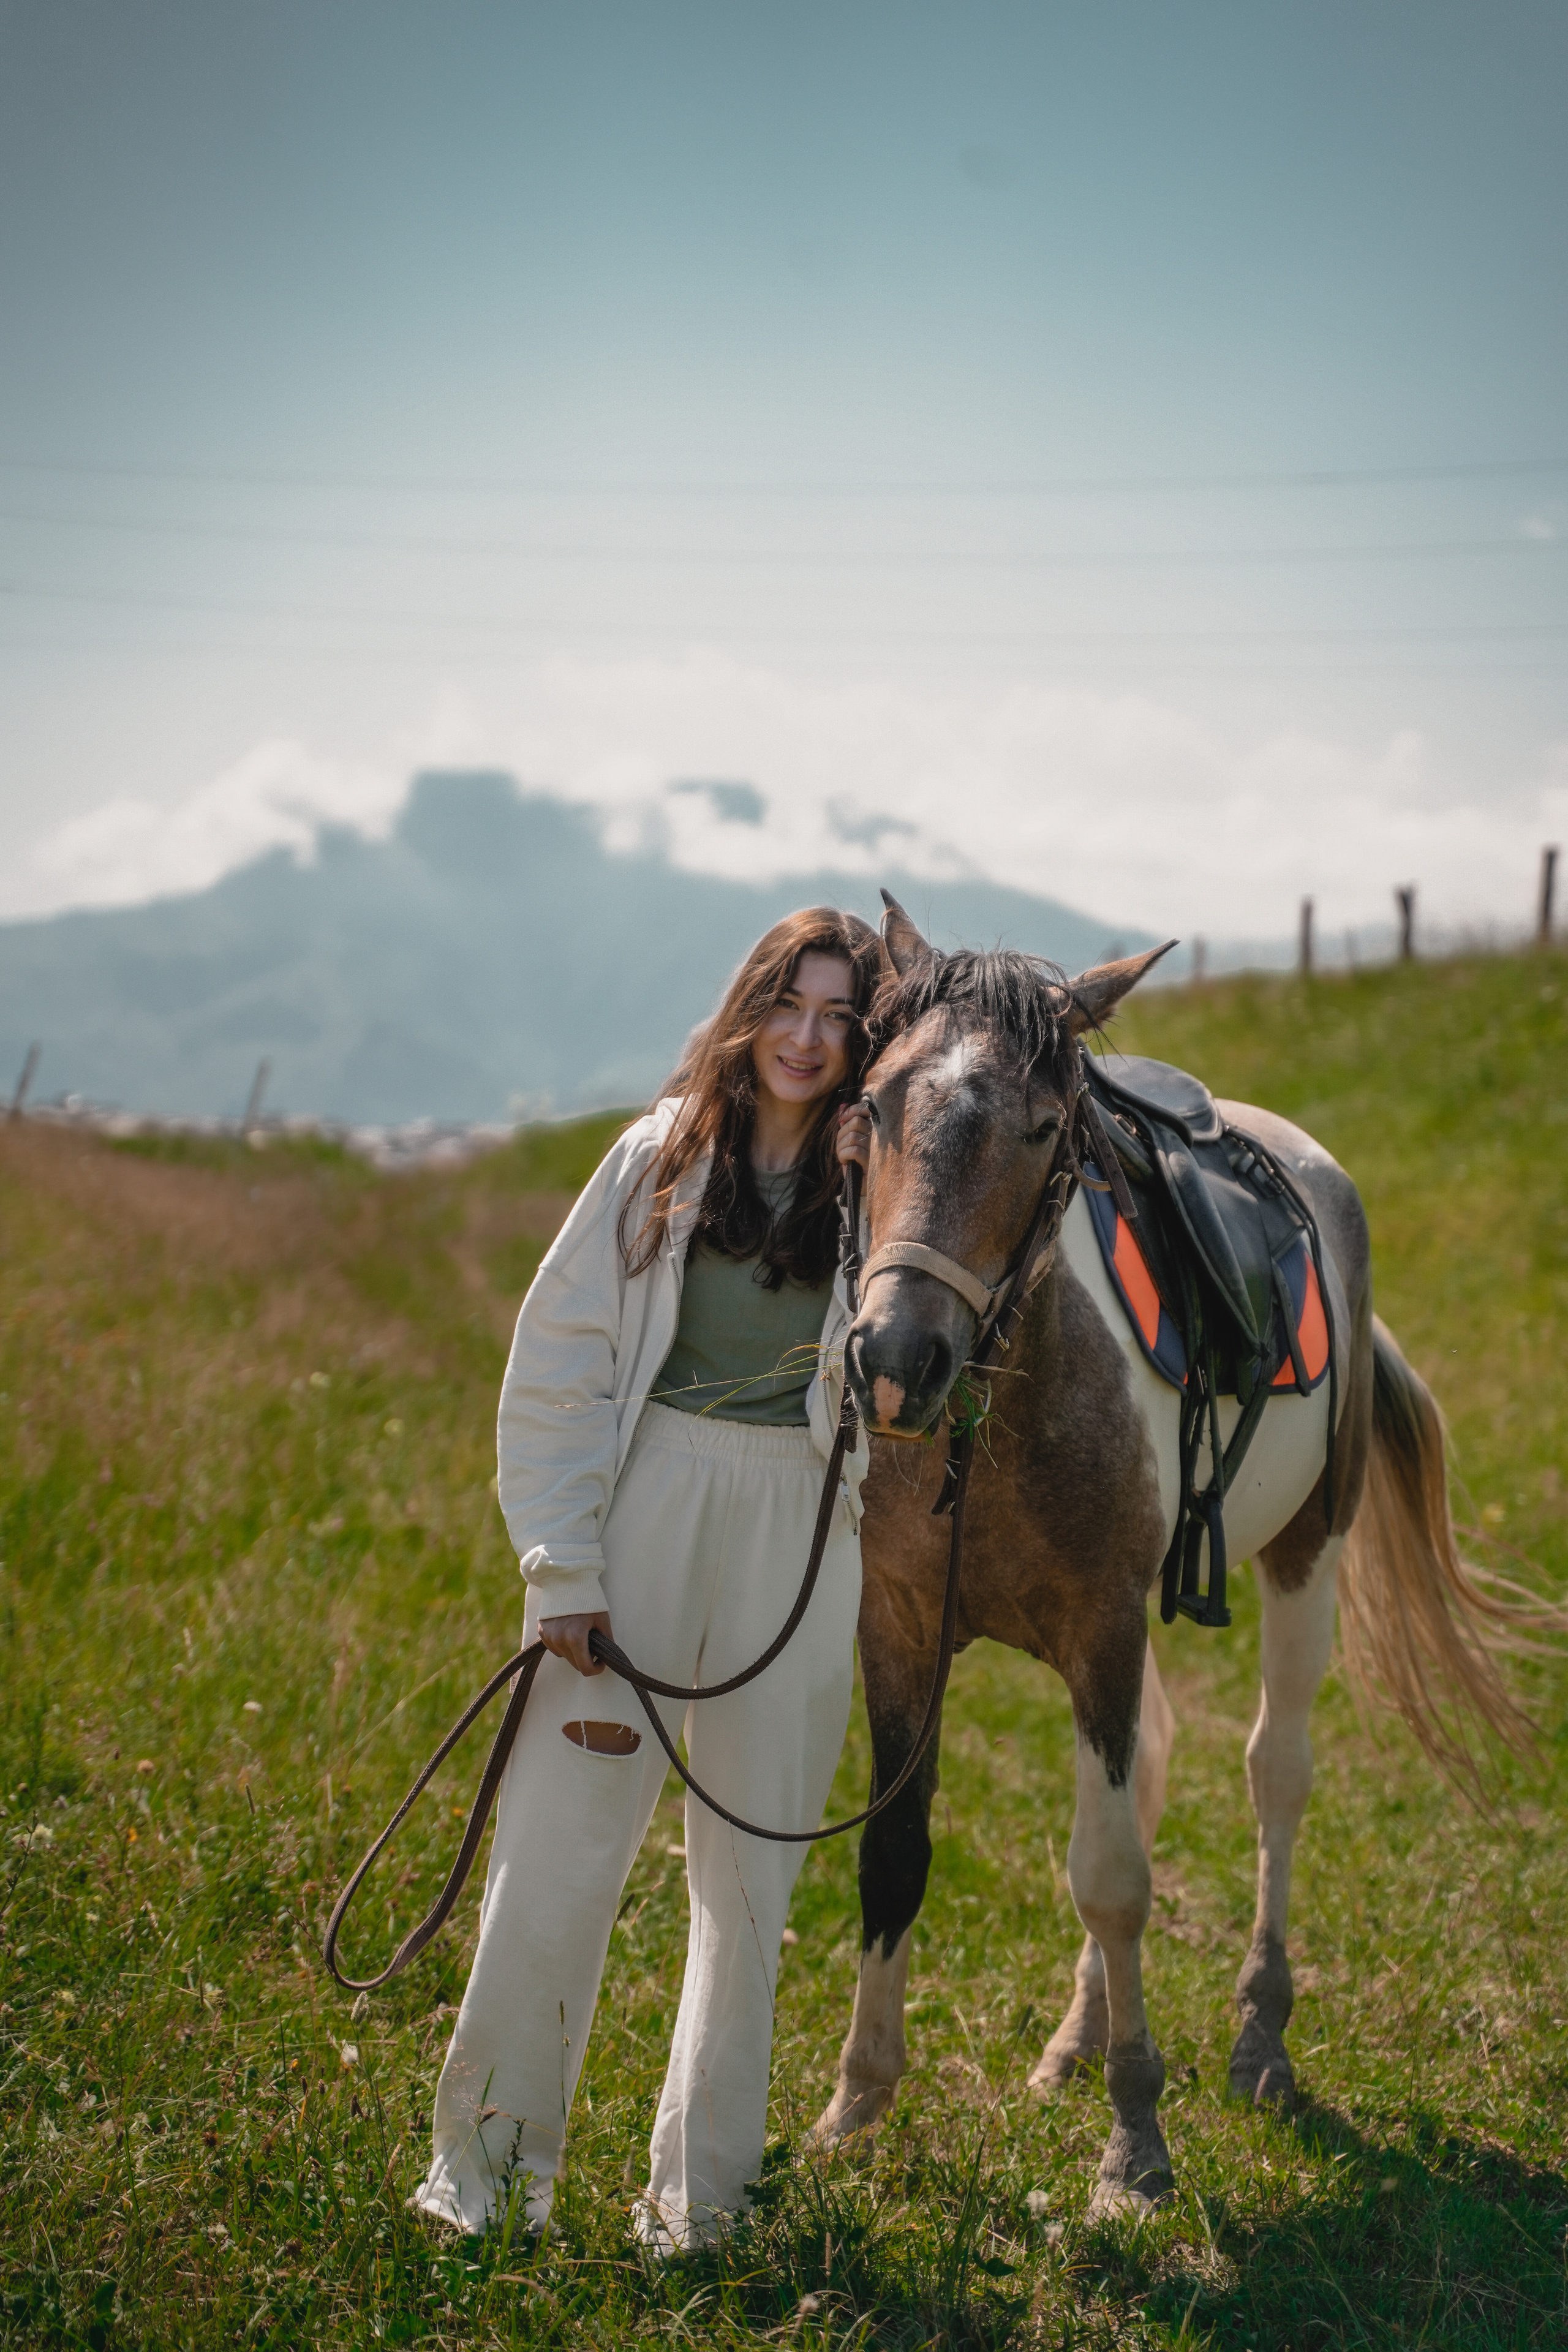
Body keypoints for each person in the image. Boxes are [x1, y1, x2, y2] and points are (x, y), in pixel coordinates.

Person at [414, 907, 884, 2250]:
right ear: (750, 1008)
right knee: (557, 1857)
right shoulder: (654, 1158)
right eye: (790, 1004)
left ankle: (703, 2202)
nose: (808, 1037)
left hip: (798, 1527)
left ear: (864, 1039)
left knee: (751, 1883)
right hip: (648, 1502)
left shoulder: (877, 1187)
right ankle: (487, 2181)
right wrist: (563, 1571)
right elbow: (557, 1366)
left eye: (840, 1016)